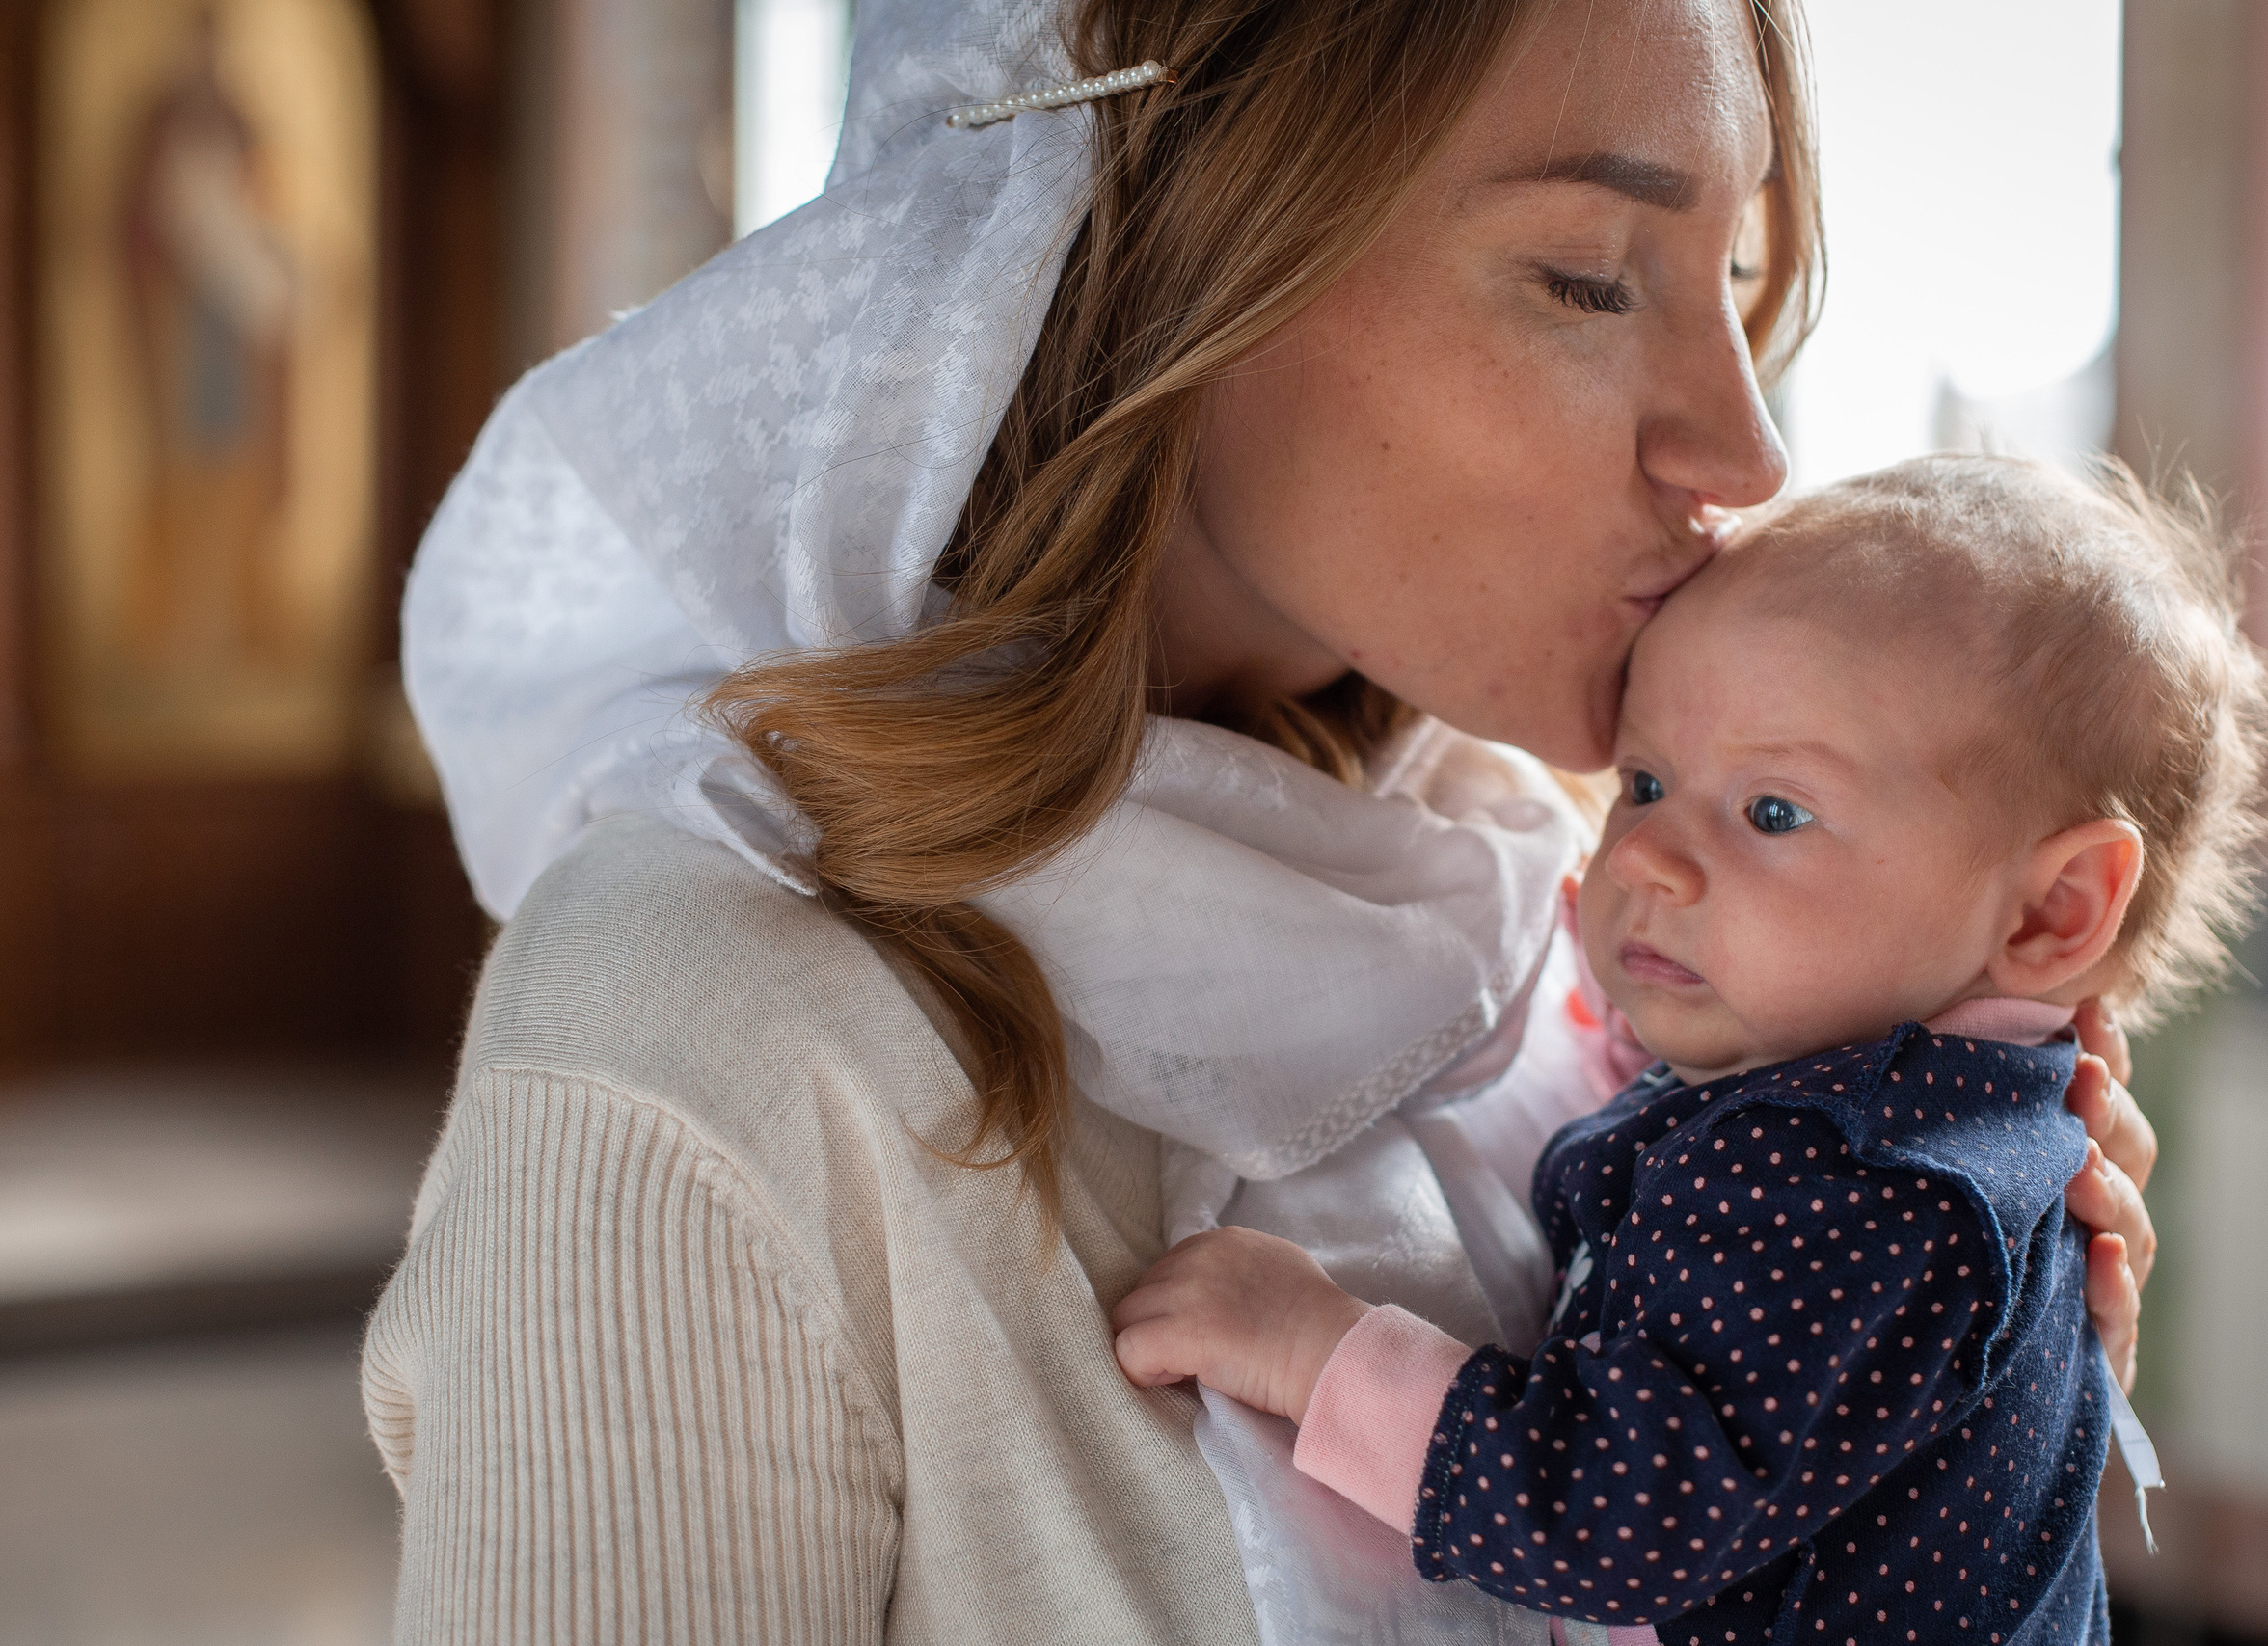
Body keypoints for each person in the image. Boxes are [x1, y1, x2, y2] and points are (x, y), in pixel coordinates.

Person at [367, 2, 2160, 1640]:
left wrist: (1956, 1440)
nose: (1747, 447)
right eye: (1592, 276)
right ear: (1162, 261)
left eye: (1741, 273)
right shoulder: (685, 1039)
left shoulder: (1573, 922)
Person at [1112, 455, 2268, 1644]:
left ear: (2051, 913)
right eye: (1646, 781)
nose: (1640, 859)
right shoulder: (1935, 1119)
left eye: (1773, 812)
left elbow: (1617, 1519)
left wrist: (1315, 1349)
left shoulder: (1868, 1178)